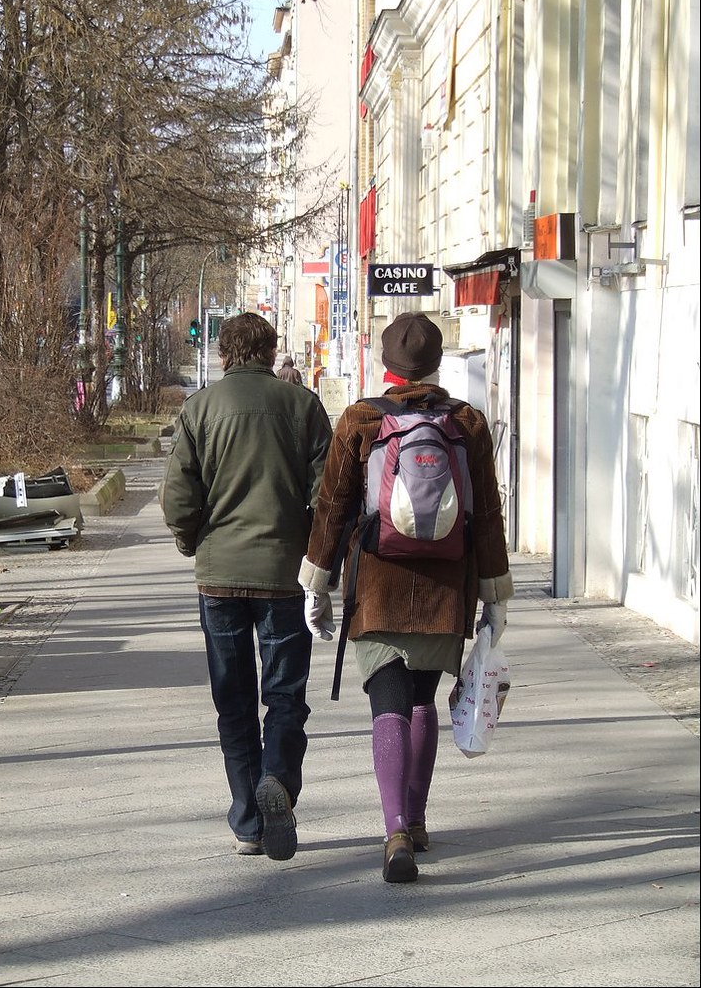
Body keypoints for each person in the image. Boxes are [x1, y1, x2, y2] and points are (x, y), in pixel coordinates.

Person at [297, 311, 513, 883]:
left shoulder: (362, 419)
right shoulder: (467, 423)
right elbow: (487, 515)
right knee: (422, 699)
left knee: (387, 700)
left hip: (378, 581)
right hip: (448, 583)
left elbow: (333, 508)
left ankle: (394, 830)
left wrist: (316, 584)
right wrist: (495, 595)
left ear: (387, 364)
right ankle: (417, 820)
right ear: (437, 364)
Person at [161, 312, 333, 861]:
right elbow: (326, 494)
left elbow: (178, 497)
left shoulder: (199, 409)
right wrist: (319, 558)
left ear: (223, 352)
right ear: (271, 349)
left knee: (232, 702)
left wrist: (194, 543)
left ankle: (248, 821)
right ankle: (279, 778)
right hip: (285, 574)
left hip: (220, 576)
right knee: (285, 696)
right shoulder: (302, 407)